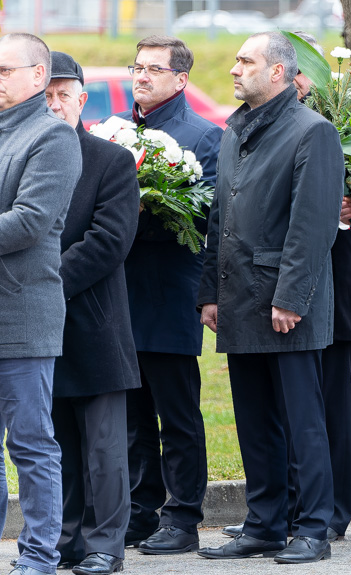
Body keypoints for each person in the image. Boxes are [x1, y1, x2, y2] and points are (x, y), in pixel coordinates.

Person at [196, 31, 343, 564]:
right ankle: (263, 524)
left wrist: (292, 297)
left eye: (245, 61)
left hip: (285, 304)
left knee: (302, 421)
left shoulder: (312, 133)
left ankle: (313, 529)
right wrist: (209, 291)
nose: (235, 69)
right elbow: (221, 218)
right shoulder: (236, 130)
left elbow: (312, 225)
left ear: (278, 72)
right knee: (254, 419)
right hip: (239, 301)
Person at [117, 35, 222, 555]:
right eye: (137, 68)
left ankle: (182, 517)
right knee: (133, 416)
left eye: (154, 69)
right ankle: (140, 510)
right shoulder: (115, 131)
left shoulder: (203, 136)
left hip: (171, 291)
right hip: (119, 295)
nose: (141, 76)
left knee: (177, 414)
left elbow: (212, 219)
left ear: (180, 79)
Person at [46, 52, 141, 575]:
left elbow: (109, 242)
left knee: (105, 449)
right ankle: (63, 540)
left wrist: (44, 284)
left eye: (65, 94)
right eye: (47, 95)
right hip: (36, 329)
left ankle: (105, 544)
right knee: (53, 443)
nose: (55, 103)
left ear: (83, 100)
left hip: (95, 323)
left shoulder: (110, 160)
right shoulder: (16, 155)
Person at [0, 33, 82, 575]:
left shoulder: (51, 137)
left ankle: (38, 558)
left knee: (31, 445)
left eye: (5, 70)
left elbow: (30, 221)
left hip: (22, 314)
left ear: (37, 75)